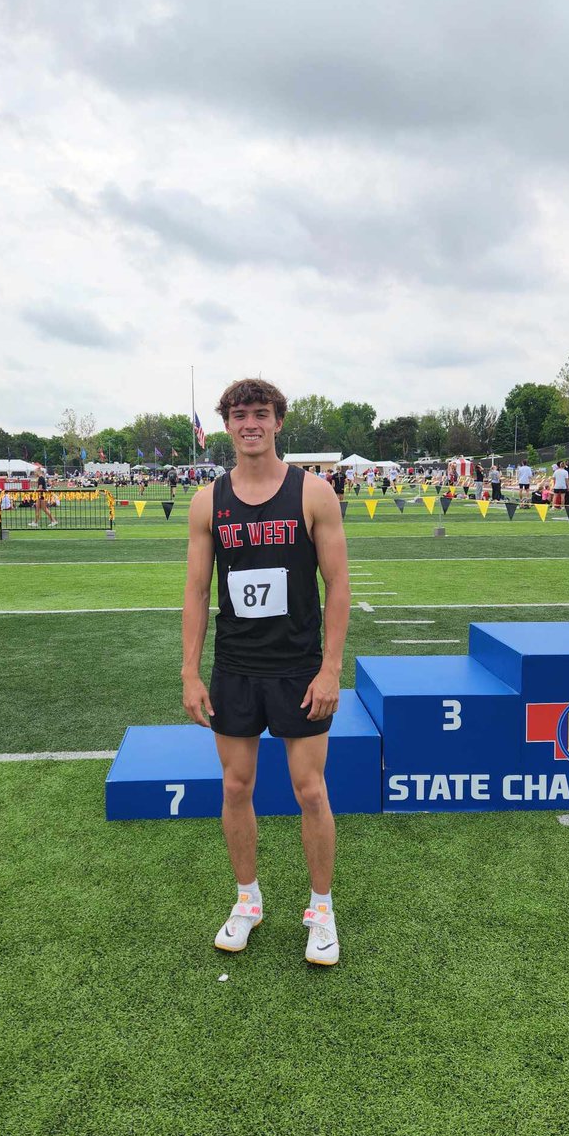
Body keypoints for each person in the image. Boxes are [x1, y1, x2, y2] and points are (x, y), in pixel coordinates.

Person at [182, 377, 350, 966]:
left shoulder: (314, 494)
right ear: (226, 425)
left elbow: (338, 588)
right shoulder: (208, 501)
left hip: (298, 669)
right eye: (239, 415)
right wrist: (190, 672)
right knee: (235, 786)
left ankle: (321, 911)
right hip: (236, 667)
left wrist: (331, 670)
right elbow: (197, 590)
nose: (250, 424)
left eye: (261, 414)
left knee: (310, 789)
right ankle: (247, 901)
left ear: (278, 422)